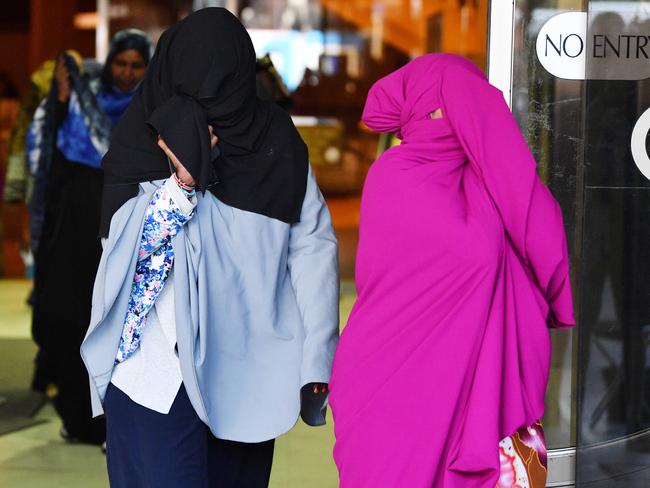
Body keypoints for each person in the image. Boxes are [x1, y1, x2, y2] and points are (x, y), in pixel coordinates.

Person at [80, 8, 339, 487]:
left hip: (248, 375)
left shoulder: (274, 145)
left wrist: (316, 360)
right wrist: (181, 185)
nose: (204, 101)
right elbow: (123, 263)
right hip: (154, 378)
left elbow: (312, 255)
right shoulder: (144, 138)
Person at [328, 54, 575, 487]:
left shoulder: (477, 183)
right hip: (393, 388)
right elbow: (537, 237)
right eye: (458, 106)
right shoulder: (405, 176)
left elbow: (535, 232)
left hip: (434, 388)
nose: (465, 118)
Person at [27, 29, 151, 445]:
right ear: (109, 62)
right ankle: (77, 415)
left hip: (122, 231)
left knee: (114, 323)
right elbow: (45, 156)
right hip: (72, 231)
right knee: (66, 321)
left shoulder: (152, 111)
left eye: (137, 66)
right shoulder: (81, 104)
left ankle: (110, 423)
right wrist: (63, 101)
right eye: (121, 63)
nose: (127, 73)